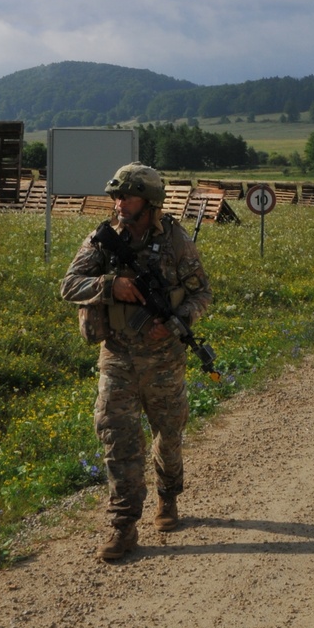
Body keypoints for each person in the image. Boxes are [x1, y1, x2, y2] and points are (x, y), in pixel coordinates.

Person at [60, 163, 212, 562]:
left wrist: (179, 322)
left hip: (164, 360)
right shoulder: (102, 240)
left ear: (149, 201)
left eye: (125, 195)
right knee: (117, 436)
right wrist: (112, 285)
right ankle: (123, 525)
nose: (118, 203)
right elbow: (69, 285)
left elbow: (202, 294)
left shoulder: (177, 242)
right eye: (115, 196)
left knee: (169, 434)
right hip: (118, 356)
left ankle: (168, 496)